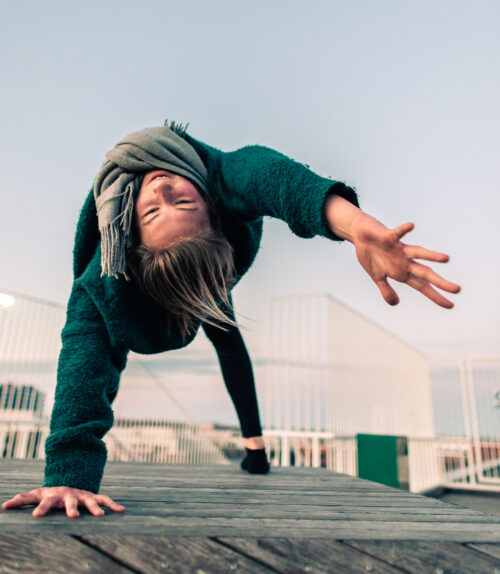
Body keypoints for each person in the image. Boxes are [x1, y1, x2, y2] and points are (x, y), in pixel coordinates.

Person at [1, 120, 461, 519]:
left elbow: (267, 176)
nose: (160, 187)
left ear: (212, 207)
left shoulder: (208, 181)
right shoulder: (105, 277)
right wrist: (68, 476)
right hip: (132, 288)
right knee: (200, 330)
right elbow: (84, 365)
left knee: (225, 332)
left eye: (172, 205)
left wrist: (353, 224)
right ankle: (254, 445)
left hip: (199, 267)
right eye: (161, 208)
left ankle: (254, 446)